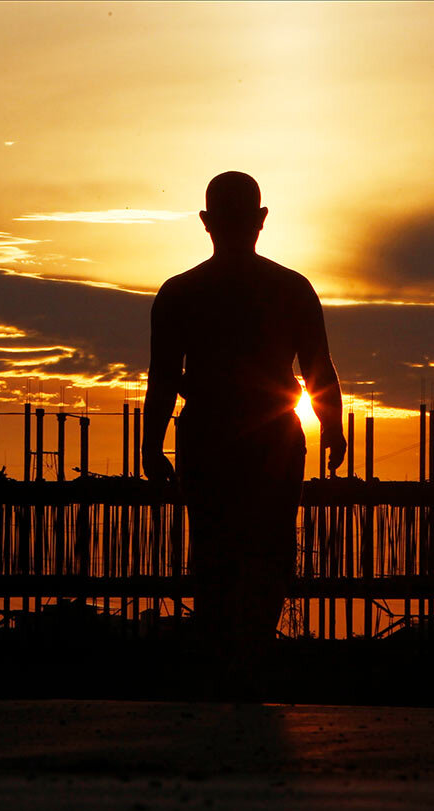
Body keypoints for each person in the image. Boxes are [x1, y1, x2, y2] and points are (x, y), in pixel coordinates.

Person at [141, 171, 346, 666]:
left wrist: (151, 445)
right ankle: (253, 648)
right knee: (270, 547)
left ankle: (223, 655)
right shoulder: (290, 288)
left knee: (214, 548)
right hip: (273, 439)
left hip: (208, 434)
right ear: (261, 220)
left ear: (206, 222)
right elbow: (318, 368)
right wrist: (332, 426)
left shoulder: (180, 292)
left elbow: (164, 378)